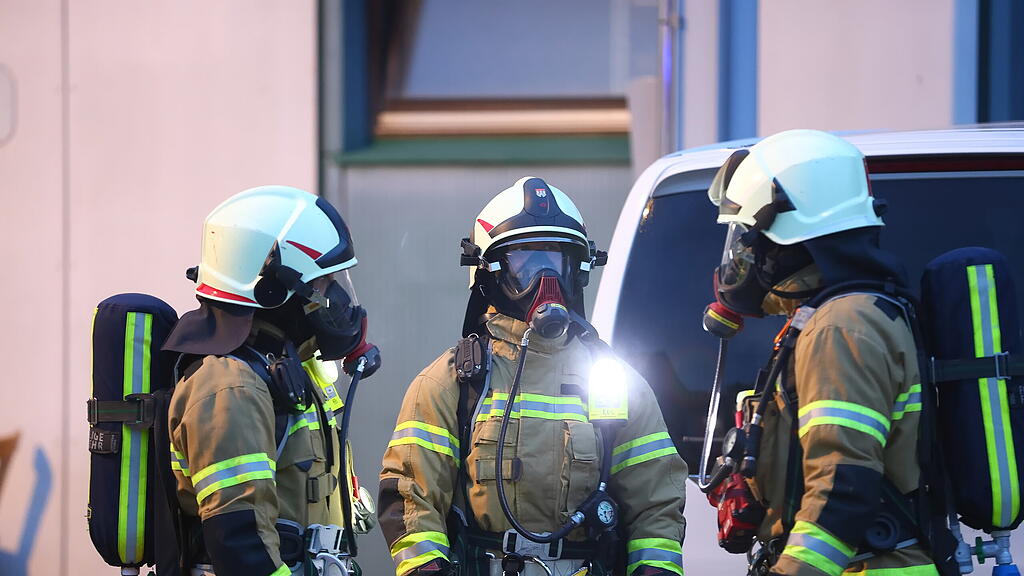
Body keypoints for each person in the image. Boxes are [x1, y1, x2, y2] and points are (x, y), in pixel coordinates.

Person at [379, 176, 687, 576]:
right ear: (489, 273)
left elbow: (656, 498)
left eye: (556, 262)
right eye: (526, 264)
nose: (546, 283)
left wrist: (655, 568)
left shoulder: (614, 382)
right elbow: (410, 494)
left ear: (577, 271)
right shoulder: (454, 381)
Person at [706, 130, 940, 575]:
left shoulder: (841, 326)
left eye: (749, 237)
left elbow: (841, 489)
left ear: (787, 238)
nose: (743, 255)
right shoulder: (841, 316)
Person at [162, 185, 380, 576]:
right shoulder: (230, 387)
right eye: (322, 285)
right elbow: (240, 542)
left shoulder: (287, 369)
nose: (338, 301)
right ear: (271, 290)